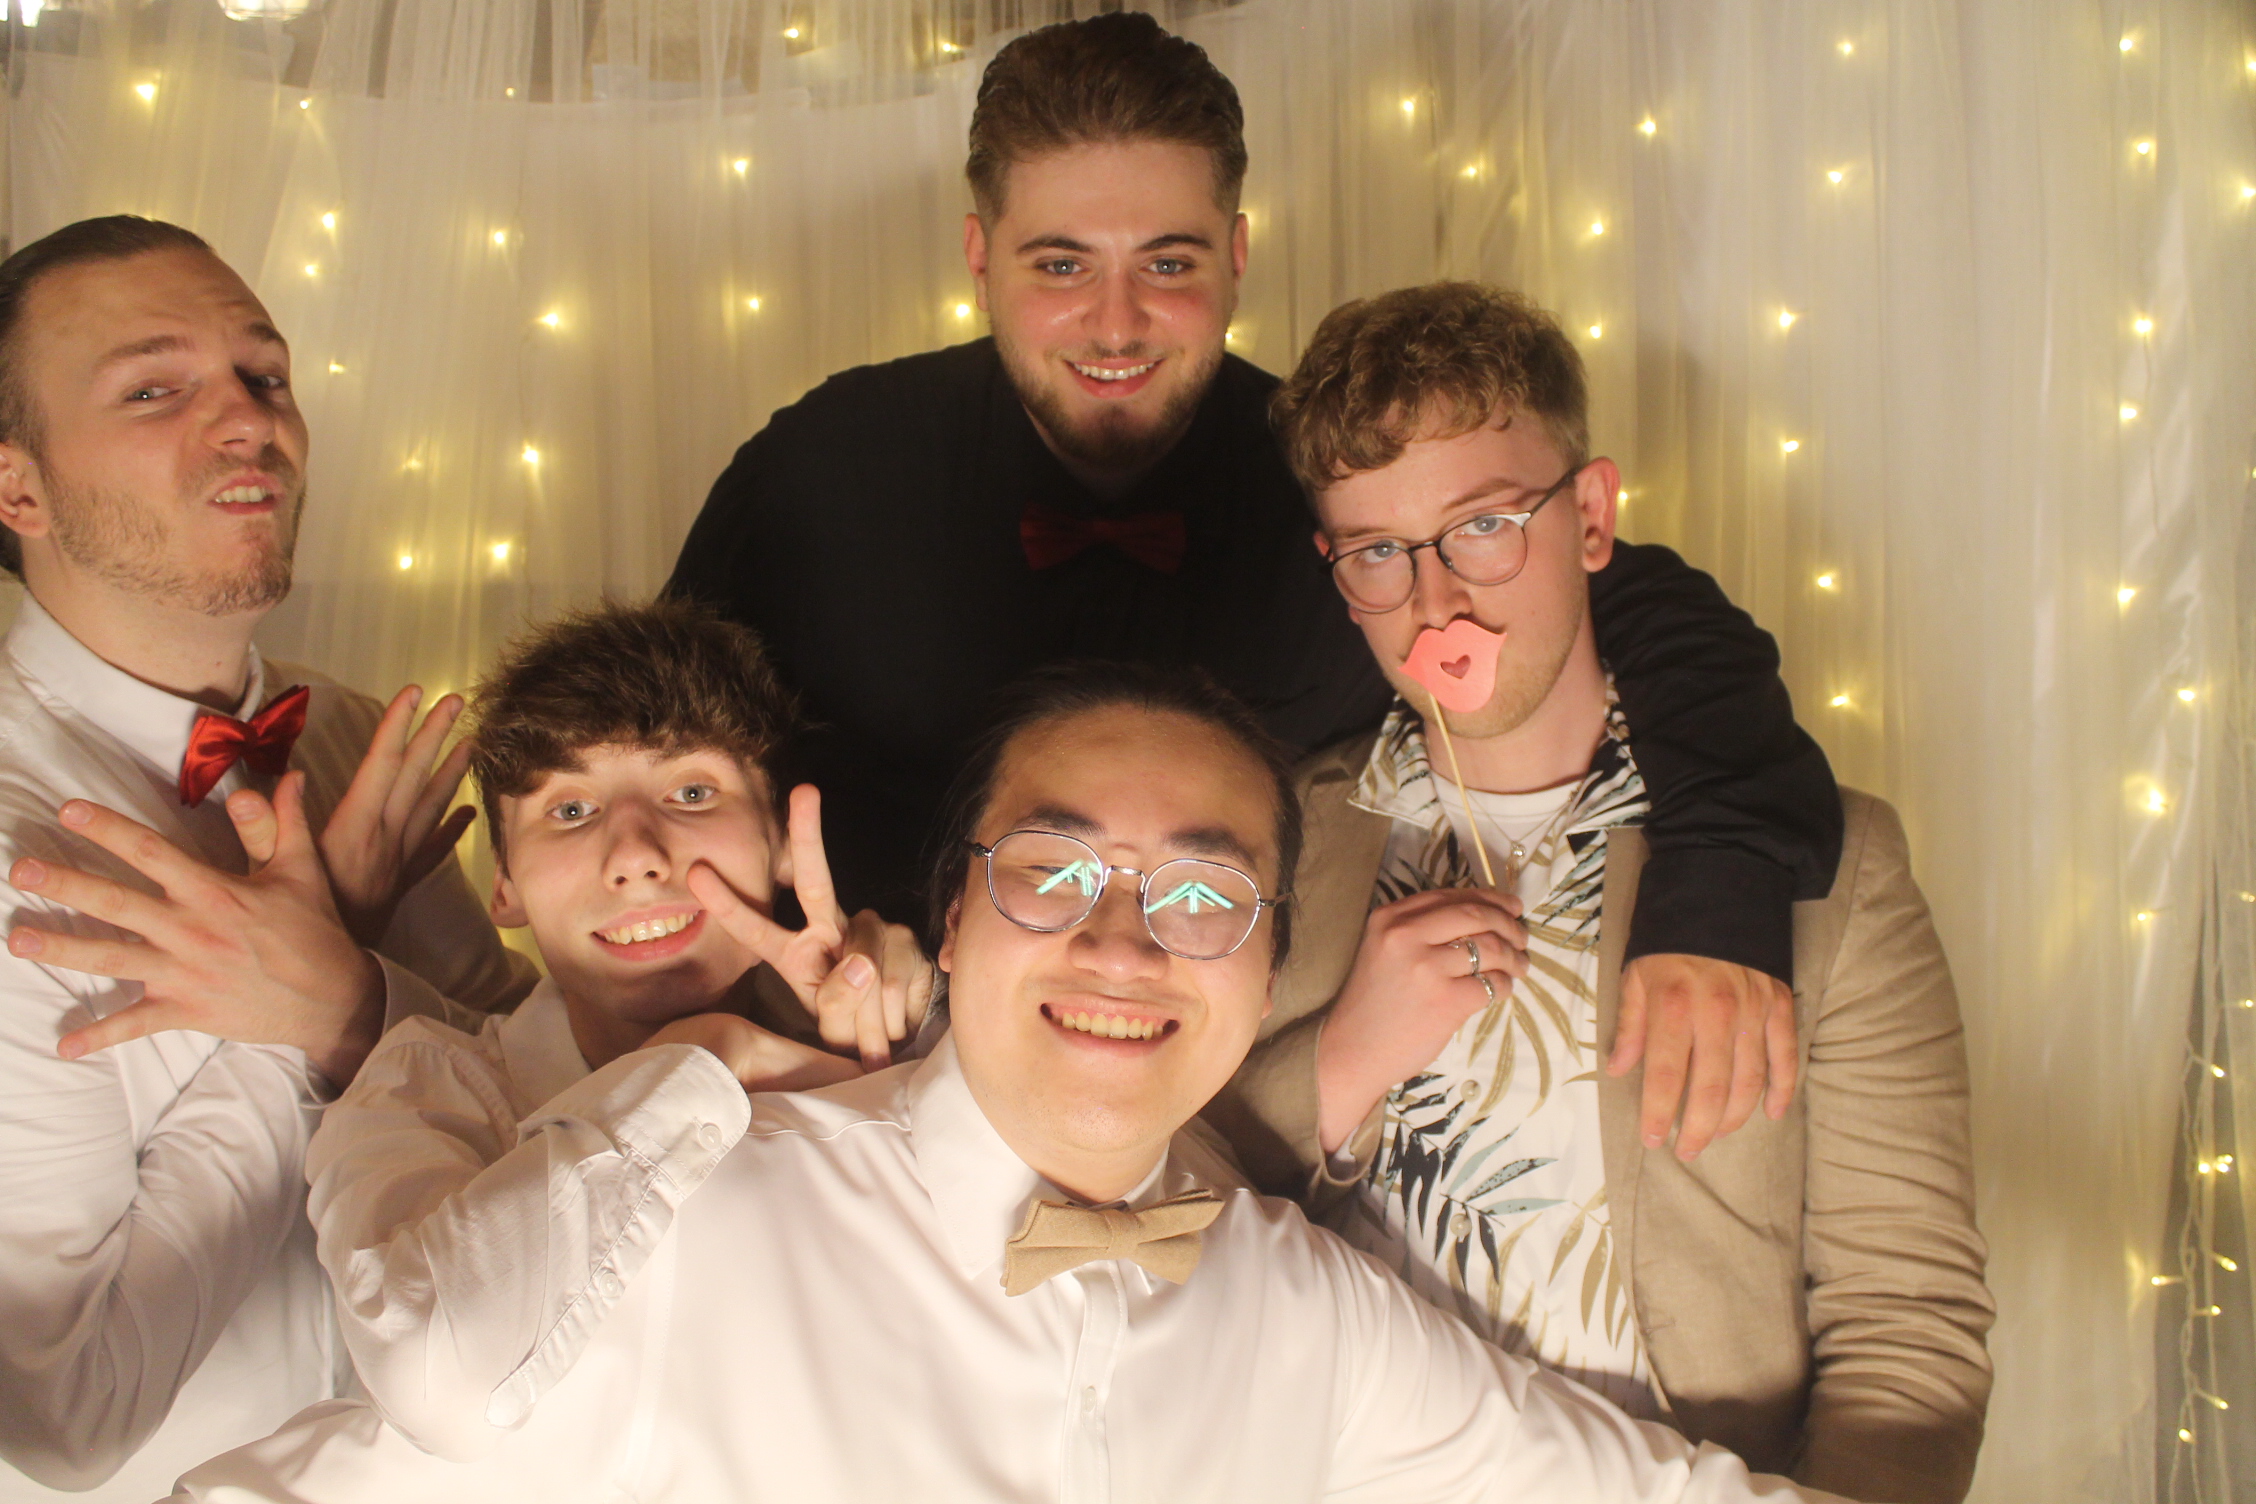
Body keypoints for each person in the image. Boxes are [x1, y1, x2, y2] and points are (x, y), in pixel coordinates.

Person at [167, 663, 1851, 1504]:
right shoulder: (700, 1210)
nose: (1124, 940)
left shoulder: (1306, 1307)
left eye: (1204, 893)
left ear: (1267, 963)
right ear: (956, 918)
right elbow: (383, 1420)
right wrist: (707, 1059)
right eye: (1053, 873)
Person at [665, 16, 1842, 1151]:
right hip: (838, 1095)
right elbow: (637, 749)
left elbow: (1629, 604)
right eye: (1061, 263)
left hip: (1217, 1128)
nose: (1116, 323)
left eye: (1168, 262)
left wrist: (1720, 889)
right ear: (979, 256)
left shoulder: (1343, 485)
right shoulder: (822, 467)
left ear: (1236, 257)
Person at [1210, 283, 1994, 1503]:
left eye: (1483, 526)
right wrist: (1341, 1063)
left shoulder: (1833, 875)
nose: (1436, 602)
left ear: (1589, 516)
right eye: (1378, 552)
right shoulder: (1268, 836)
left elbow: (1907, 1332)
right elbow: (1157, 1192)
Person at [0, 216, 534, 1501]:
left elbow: (539, 1100)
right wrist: (305, 994)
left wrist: (352, 1006)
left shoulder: (346, 733)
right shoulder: (17, 851)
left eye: (265, 374)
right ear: (18, 490)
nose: (250, 420)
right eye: (154, 388)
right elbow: (63, 1416)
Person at [300, 599, 930, 1459]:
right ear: (504, 887)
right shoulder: (420, 1093)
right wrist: (703, 1060)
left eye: (692, 793)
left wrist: (921, 1043)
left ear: (781, 843)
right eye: (569, 811)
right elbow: (438, 1379)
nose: (635, 855)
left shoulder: (906, 1049)